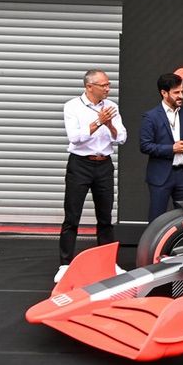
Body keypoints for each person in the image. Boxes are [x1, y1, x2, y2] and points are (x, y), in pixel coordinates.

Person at [56, 69, 127, 283]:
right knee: (72, 216)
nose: (107, 88)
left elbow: (122, 138)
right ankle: (65, 264)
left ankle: (108, 264)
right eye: (103, 85)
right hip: (80, 164)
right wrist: (97, 123)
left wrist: (110, 124)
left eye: (108, 85)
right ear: (89, 87)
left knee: (105, 218)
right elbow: (75, 138)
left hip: (104, 164)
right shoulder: (72, 106)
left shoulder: (111, 107)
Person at [140, 72, 183, 221]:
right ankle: (154, 245)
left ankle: (182, 245)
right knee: (157, 219)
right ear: (164, 93)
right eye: (176, 92)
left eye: (181, 91)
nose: (181, 95)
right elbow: (145, 146)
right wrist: (172, 149)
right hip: (160, 176)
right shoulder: (151, 116)